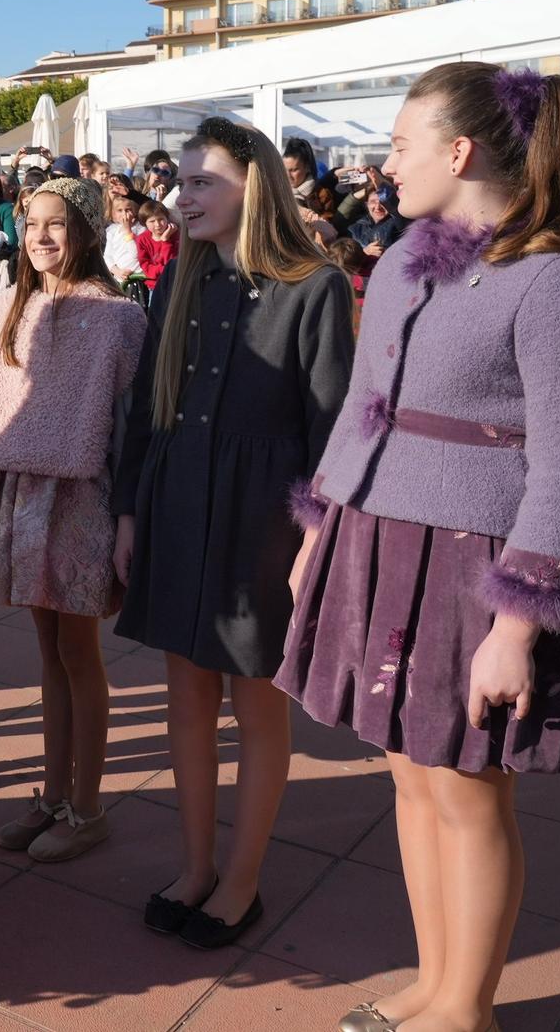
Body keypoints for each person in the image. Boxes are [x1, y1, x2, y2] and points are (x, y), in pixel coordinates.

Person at [275, 63, 560, 1032]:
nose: (384, 164)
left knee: (467, 791)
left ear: (457, 151)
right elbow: (360, 409)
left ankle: (465, 1011)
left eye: (396, 143)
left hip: (481, 567)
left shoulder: (559, 279)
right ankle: (431, 985)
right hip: (377, 544)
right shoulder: (396, 264)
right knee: (409, 772)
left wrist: (517, 623)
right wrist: (318, 532)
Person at [113, 116, 354, 950]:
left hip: (262, 521)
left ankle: (242, 879)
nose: (185, 196)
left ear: (255, 185)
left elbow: (331, 430)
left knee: (256, 702)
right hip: (179, 499)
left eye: (203, 180)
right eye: (181, 182)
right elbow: (145, 407)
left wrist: (314, 542)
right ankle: (196, 866)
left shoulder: (314, 285)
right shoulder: (181, 278)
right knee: (186, 694)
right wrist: (128, 511)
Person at [0, 177, 146, 861]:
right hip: (17, 487)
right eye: (32, 222)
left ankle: (86, 806)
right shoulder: (5, 304)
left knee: (79, 652)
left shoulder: (119, 318)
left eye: (58, 223)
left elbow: (128, 427)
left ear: (88, 229)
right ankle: (52, 792)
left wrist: (126, 515)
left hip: (80, 497)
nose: (42, 236)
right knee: (47, 650)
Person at [134, 199, 179, 291]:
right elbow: (145, 265)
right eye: (152, 221)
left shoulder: (175, 236)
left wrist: (165, 240)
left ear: (167, 219)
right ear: (145, 223)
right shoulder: (142, 239)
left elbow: (171, 263)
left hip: (174, 283)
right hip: (155, 285)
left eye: (161, 219)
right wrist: (162, 270)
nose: (157, 224)